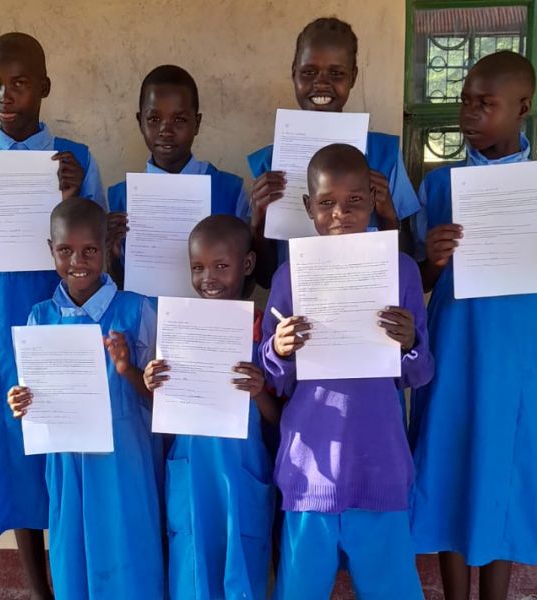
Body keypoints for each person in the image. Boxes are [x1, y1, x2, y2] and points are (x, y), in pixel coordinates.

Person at [0, 32, 105, 600]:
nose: (5, 94)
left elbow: (97, 247)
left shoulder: (76, 159)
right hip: (4, 323)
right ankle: (41, 591)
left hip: (69, 318)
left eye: (18, 82)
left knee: (67, 442)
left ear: (44, 87)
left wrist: (73, 192)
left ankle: (80, 578)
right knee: (13, 448)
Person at [260, 144, 433, 599]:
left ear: (374, 202)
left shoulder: (401, 271)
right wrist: (279, 348)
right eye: (327, 203)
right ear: (308, 207)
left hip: (380, 463)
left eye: (355, 200)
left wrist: (410, 342)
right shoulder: (290, 276)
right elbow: (273, 378)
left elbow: (419, 374)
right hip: (309, 469)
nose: (341, 213)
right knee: (300, 590)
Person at [409, 51, 537, 600]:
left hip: (517, 350)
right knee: (449, 458)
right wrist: (432, 260)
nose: (470, 114)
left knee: (504, 464)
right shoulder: (441, 185)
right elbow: (412, 280)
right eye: (464, 102)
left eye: (486, 105)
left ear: (522, 108)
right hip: (455, 346)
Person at [7, 198, 163, 600]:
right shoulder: (39, 318)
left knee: (130, 557)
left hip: (124, 462)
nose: (78, 260)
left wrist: (128, 368)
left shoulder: (137, 310)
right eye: (65, 250)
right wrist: (21, 400)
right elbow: (34, 396)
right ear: (51, 250)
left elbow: (160, 401)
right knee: (71, 558)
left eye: (90, 249)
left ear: (110, 247)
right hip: (66, 463)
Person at [144, 214, 278, 599]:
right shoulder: (177, 330)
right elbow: (166, 413)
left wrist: (259, 392)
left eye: (221, 266)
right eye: (198, 267)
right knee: (191, 572)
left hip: (243, 473)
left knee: (242, 569)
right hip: (192, 471)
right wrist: (154, 382)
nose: (209, 278)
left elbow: (281, 420)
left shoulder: (265, 333)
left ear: (247, 265)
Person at [248, 17, 420, 285]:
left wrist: (387, 212)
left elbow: (406, 260)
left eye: (336, 73)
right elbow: (267, 279)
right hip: (299, 309)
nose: (321, 84)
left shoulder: (384, 154)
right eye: (309, 72)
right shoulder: (271, 162)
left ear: (353, 76)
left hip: (367, 301)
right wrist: (258, 223)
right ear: (294, 72)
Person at [106, 65, 250, 286]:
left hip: (211, 317)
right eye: (154, 119)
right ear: (140, 122)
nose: (166, 130)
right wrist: (111, 256)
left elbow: (247, 281)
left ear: (197, 123)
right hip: (142, 318)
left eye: (180, 120)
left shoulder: (230, 191)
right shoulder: (120, 198)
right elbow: (119, 285)